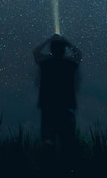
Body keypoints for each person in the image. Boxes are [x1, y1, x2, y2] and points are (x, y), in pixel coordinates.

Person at [33, 34, 82, 165]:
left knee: (48, 141)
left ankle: (49, 172)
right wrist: (67, 41)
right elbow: (78, 54)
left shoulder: (46, 64)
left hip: (48, 107)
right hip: (67, 107)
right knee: (67, 142)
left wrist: (49, 39)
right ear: (64, 50)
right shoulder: (69, 64)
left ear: (52, 50)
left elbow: (36, 52)